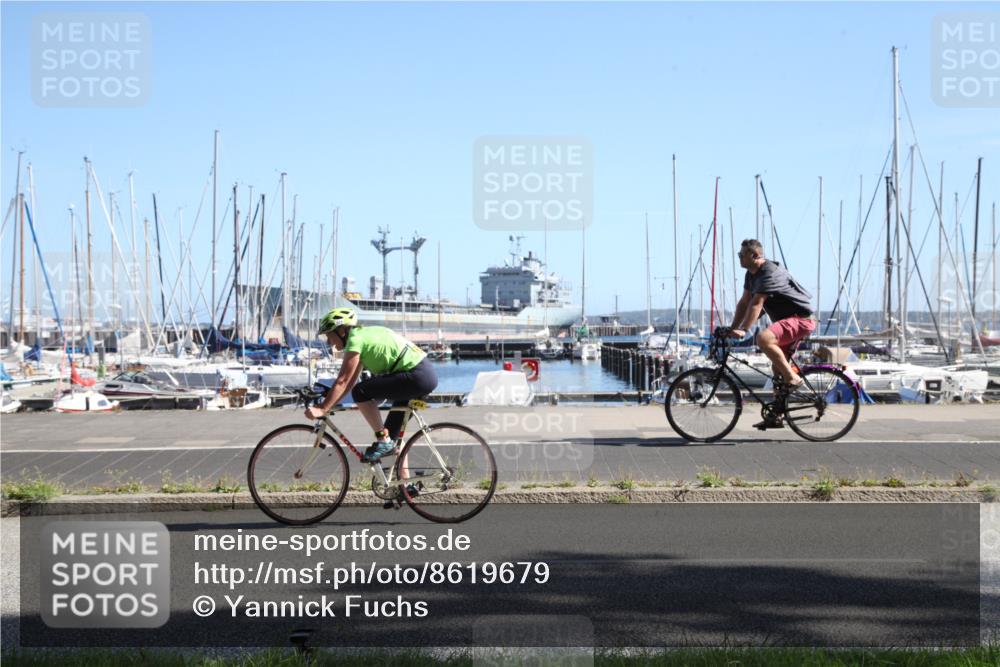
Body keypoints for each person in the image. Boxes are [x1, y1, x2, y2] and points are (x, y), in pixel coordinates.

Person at [305, 308, 438, 462]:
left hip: (417, 376)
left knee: (361, 392)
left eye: (329, 335)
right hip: (423, 374)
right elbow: (349, 382)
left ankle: (383, 440)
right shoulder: (364, 335)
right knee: (392, 437)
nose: (328, 341)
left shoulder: (355, 340)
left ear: (341, 331)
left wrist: (322, 408)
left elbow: (343, 381)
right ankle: (404, 484)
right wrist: (330, 400)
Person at [729, 239, 815, 424]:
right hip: (787, 321)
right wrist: (732, 328)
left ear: (755, 255)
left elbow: (756, 304)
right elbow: (744, 303)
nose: (739, 258)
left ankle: (793, 378)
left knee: (763, 338)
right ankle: (777, 414)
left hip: (800, 319)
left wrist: (744, 329)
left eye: (741, 254)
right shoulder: (751, 274)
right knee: (777, 370)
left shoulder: (769, 272)